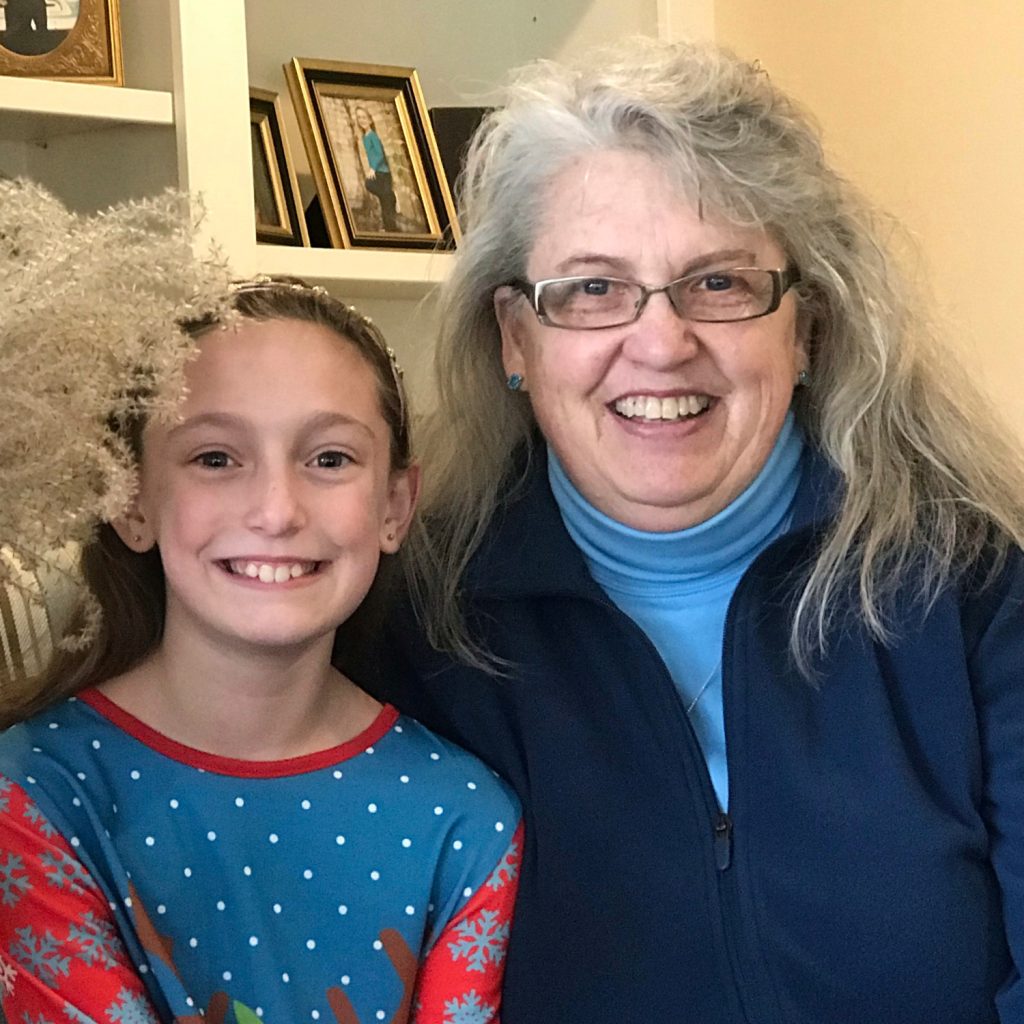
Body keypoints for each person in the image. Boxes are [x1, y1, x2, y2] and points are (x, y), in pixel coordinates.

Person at [338, 37, 1024, 1024]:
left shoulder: (976, 590)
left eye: (719, 282)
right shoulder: (409, 624)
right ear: (515, 338)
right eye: (591, 288)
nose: (659, 343)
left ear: (807, 327)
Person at [0, 272, 521, 1023]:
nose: (276, 510)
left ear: (396, 505)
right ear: (132, 500)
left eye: (330, 458)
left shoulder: (469, 820)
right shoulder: (32, 794)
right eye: (215, 458)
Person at [355, 106, 399, 233]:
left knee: (373, 187)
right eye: (359, 118)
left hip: (382, 172)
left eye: (364, 117)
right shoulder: (365, 137)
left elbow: (380, 154)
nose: (361, 120)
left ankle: (390, 227)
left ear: (370, 120)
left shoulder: (373, 136)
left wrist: (373, 169)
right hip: (377, 172)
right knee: (384, 200)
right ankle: (390, 199)